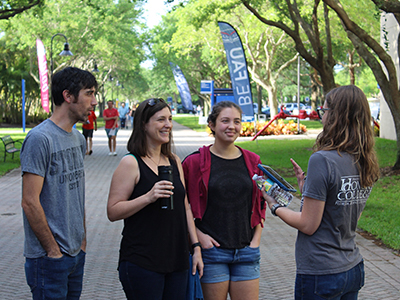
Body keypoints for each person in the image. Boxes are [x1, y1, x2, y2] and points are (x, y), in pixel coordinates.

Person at [262, 85, 380, 300]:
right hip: (352, 267)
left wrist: (275, 206)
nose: (321, 117)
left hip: (322, 272)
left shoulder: (323, 159)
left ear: (336, 116)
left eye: (323, 112)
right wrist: (307, 191)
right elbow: (345, 213)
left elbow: (308, 225)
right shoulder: (365, 160)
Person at [107, 98, 203, 300]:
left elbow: (185, 208)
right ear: (144, 124)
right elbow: (113, 211)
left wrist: (195, 247)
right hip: (142, 262)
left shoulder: (175, 161)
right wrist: (148, 197)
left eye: (169, 119)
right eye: (161, 119)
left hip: (177, 261)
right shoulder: (130, 163)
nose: (168, 125)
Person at [20, 67, 97, 299]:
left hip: (75, 254)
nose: (94, 102)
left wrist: (82, 241)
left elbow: (76, 193)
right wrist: (53, 251)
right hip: (48, 260)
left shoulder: (77, 138)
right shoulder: (39, 139)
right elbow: (29, 202)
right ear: (67, 96)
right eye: (89, 93)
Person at [182, 101, 266, 300]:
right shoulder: (193, 163)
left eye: (237, 121)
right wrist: (198, 237)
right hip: (211, 254)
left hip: (247, 252)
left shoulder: (254, 161)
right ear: (211, 124)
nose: (232, 126)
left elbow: (261, 203)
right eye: (225, 121)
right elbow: (181, 208)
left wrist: (256, 241)